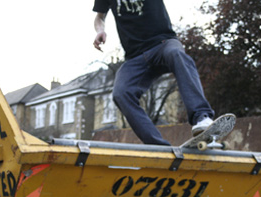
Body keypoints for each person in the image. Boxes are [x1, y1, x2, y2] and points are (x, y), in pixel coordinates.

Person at [93, 0, 216, 146]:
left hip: (163, 43)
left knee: (177, 55)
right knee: (121, 93)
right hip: (135, 57)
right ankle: (157, 145)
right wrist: (100, 30)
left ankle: (202, 118)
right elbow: (100, 16)